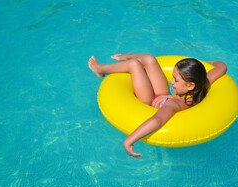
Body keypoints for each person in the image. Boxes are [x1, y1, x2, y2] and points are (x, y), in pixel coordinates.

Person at [88, 54, 227, 158]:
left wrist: (129, 141)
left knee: (134, 65)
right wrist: (212, 63)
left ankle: (100, 69)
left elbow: (157, 120)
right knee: (149, 59)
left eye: (176, 80)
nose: (171, 81)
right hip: (164, 96)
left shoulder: (175, 104)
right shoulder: (203, 85)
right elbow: (222, 67)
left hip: (148, 102)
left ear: (190, 85)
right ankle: (126, 56)